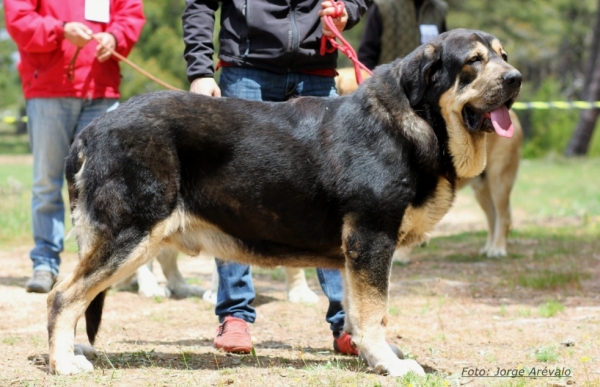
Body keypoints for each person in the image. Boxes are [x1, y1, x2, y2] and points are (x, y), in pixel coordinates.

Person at [182, 0, 370, 355]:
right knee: (233, 194)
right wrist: (199, 71)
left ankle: (347, 323)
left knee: (332, 200)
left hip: (317, 73)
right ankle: (235, 315)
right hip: (246, 71)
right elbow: (200, 5)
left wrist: (350, 9)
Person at [4, 0, 146, 293]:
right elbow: (18, 19)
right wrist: (60, 30)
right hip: (47, 90)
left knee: (104, 185)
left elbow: (130, 13)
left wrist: (115, 37)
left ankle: (96, 265)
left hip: (101, 91)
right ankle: (44, 263)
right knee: (46, 180)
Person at [357, 0, 447, 70]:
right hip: (387, 87)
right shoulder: (383, 6)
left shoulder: (439, 9)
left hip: (427, 89)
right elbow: (366, 55)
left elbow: (443, 54)